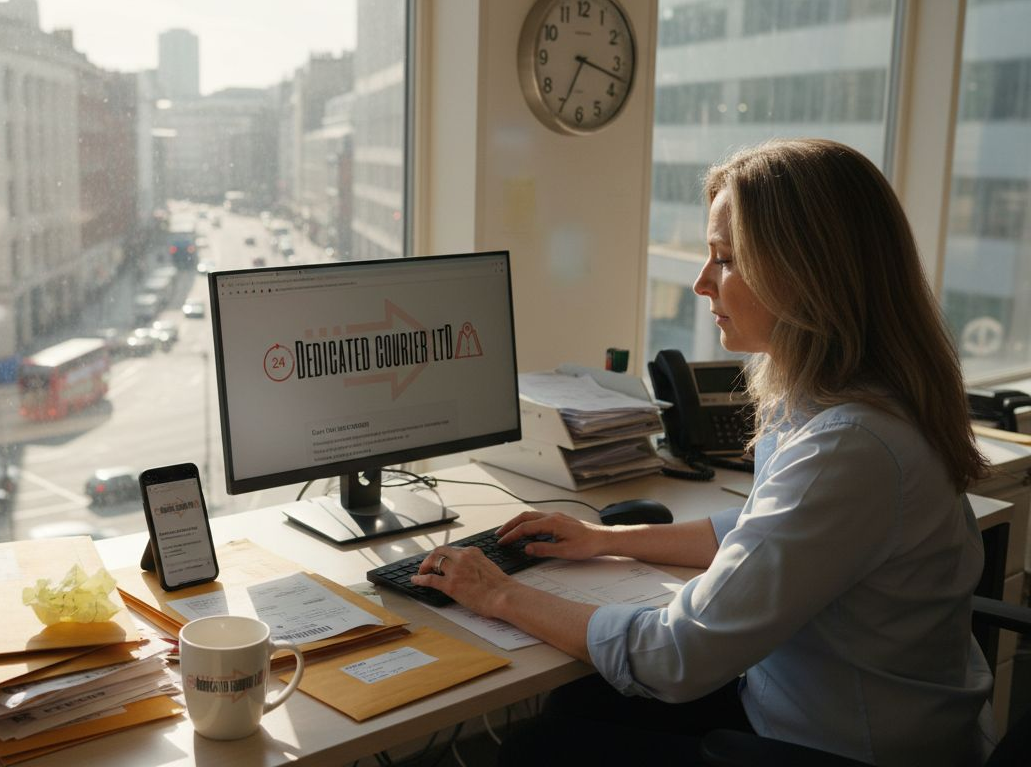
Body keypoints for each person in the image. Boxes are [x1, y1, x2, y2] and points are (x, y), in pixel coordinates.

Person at [411, 139, 996, 765]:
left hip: (841, 748)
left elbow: (674, 657)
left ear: (804, 273)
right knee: (577, 707)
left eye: (724, 260)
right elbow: (753, 531)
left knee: (539, 748)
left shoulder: (850, 447)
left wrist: (499, 594)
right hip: (825, 706)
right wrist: (604, 538)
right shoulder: (860, 400)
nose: (700, 282)